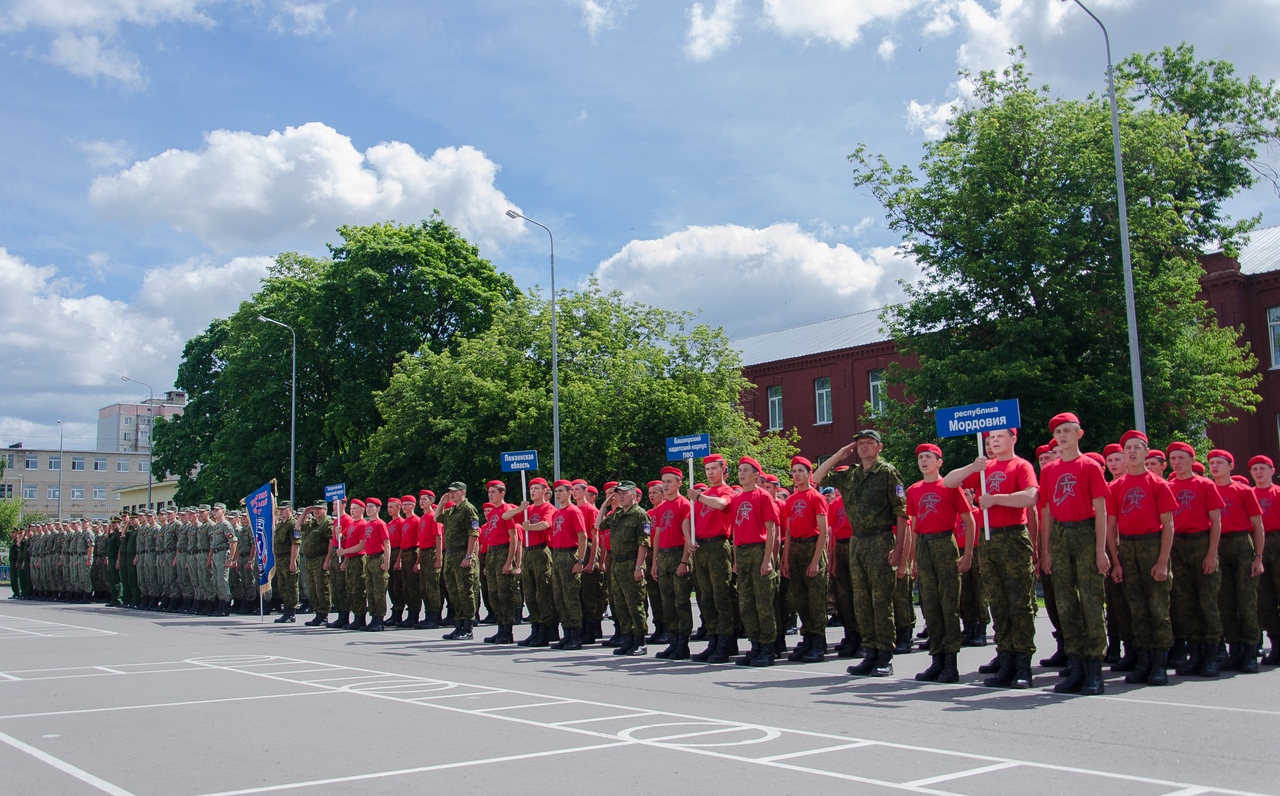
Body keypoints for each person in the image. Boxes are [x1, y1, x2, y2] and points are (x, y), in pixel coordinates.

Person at [942, 428, 1038, 689]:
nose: (994, 441)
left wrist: (995, 499)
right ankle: (1005, 660)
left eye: (999, 437)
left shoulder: (1021, 465)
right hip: (989, 539)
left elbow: (1031, 496)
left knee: (1019, 603)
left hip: (1013, 536)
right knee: (997, 602)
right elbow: (949, 481)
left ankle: (1023, 664)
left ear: (1013, 439)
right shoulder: (985, 467)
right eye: (990, 439)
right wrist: (973, 466)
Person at [814, 430, 909, 678]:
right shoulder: (851, 474)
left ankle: (885, 656)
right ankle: (870, 653)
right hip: (857, 541)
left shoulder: (887, 472)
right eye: (860, 443)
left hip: (880, 539)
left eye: (869, 443)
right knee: (862, 601)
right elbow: (816, 477)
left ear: (879, 447)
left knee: (880, 601)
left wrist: (899, 548)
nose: (864, 447)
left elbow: (901, 512)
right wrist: (838, 455)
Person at [1037, 413, 1111, 695]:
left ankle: (1094, 669)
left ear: (1079, 434)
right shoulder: (1049, 470)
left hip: (1085, 532)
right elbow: (1046, 512)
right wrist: (1045, 551)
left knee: (1091, 603)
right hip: (1060, 535)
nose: (1062, 436)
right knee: (1066, 603)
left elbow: (1101, 510)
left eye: (1067, 431)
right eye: (1058, 433)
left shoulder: (1089, 466)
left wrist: (1100, 550)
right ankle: (1076, 665)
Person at [1106, 430, 1176, 686]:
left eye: (1137, 447)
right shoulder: (1116, 486)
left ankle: (1159, 663)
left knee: (1158, 608)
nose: (1132, 452)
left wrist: (1162, 561)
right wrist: (1116, 561)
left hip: (1152, 545)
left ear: (1146, 452)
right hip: (1127, 547)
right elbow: (1111, 526)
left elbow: (1169, 526)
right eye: (1128, 448)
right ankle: (1143, 661)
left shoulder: (1158, 484)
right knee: (1135, 608)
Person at [906, 443, 972, 683]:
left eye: (928, 457)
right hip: (924, 546)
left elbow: (969, 520)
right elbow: (914, 527)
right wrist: (914, 560)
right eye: (920, 457)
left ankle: (951, 662)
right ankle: (937, 658)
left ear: (939, 462)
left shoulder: (950, 486)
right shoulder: (913, 490)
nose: (923, 461)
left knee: (948, 604)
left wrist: (967, 555)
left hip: (945, 543)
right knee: (930, 604)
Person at [1165, 441, 1224, 676]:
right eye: (1173, 459)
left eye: (1181, 458)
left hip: (1201, 542)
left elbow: (1216, 522)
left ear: (1192, 460)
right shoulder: (1167, 486)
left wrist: (1211, 554)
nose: (1177, 463)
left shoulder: (1206, 485)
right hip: (1177, 545)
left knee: (1207, 601)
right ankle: (1195, 653)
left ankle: (1212, 655)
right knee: (1184, 602)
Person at [1208, 449, 1265, 673]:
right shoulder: (1208, 489)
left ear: (1231, 466)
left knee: (1246, 600)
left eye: (1220, 462)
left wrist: (1258, 556)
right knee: (1225, 601)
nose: (1215, 466)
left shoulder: (1243, 491)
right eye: (1212, 462)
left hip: (1241, 543)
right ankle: (1234, 650)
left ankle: (1250, 651)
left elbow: (1258, 525)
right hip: (1218, 544)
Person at [729, 456, 780, 667]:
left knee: (763, 603)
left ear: (756, 475)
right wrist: (735, 558)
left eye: (746, 470)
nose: (741, 474)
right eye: (740, 470)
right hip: (742, 552)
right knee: (746, 602)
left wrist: (767, 560)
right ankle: (755, 644)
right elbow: (735, 530)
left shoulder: (763, 497)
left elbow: (771, 530)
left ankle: (768, 647)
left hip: (759, 550)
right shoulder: (737, 499)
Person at [781, 456, 830, 663]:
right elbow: (788, 531)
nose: (797, 475)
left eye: (801, 471)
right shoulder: (791, 500)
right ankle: (808, 638)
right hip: (795, 549)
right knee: (800, 599)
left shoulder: (816, 497)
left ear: (809, 474)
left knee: (815, 600)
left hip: (812, 547)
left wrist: (816, 561)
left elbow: (823, 532)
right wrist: (785, 560)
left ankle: (818, 642)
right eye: (794, 471)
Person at [689, 454, 737, 663]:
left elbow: (721, 505)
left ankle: (726, 641)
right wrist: (689, 538)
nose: (710, 473)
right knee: (706, 596)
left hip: (718, 545)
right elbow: (688, 520)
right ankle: (713, 639)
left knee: (721, 595)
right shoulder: (704, 494)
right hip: (702, 547)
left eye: (714, 469)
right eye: (707, 469)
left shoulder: (725, 491)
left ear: (723, 470)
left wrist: (699, 497)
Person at [599, 481, 652, 656]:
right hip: (617, 564)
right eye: (618, 494)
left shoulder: (640, 515)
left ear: (634, 495)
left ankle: (640, 641)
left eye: (624, 493)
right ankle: (627, 639)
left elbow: (643, 543)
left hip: (631, 563)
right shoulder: (617, 514)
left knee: (635, 604)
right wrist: (604, 505)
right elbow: (599, 525)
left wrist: (639, 566)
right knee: (620, 605)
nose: (620, 497)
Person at [651, 466, 694, 660]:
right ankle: (673, 640)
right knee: (667, 602)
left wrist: (684, 561)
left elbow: (687, 536)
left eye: (669, 481)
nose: (665, 485)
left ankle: (683, 643)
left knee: (681, 601)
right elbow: (658, 535)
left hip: (678, 554)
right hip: (664, 556)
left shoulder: (684, 504)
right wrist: (655, 561)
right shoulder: (661, 508)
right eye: (664, 482)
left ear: (679, 483)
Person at [511, 478, 557, 646]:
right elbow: (506, 516)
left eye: (536, 488)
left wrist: (528, 527)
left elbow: (545, 524)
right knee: (529, 593)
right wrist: (520, 508)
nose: (532, 491)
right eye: (531, 488)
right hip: (528, 552)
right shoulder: (528, 509)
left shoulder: (548, 507)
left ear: (545, 491)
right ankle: (535, 628)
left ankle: (546, 629)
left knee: (542, 592)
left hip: (541, 551)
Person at [548, 480, 589, 650]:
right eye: (556, 491)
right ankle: (566, 632)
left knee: (571, 597)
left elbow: (583, 536)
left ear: (569, 492)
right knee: (559, 597)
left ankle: (576, 635)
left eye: (561, 491)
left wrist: (580, 560)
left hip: (569, 554)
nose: (558, 494)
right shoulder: (557, 513)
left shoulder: (574, 511)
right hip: (557, 555)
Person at [439, 482, 482, 640]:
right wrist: (442, 502)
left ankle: (468, 627)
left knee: (465, 591)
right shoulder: (451, 510)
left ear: (463, 492)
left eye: (455, 491)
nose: (451, 494)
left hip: (462, 552)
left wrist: (468, 556)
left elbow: (473, 533)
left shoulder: (468, 509)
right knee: (453, 591)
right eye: (450, 492)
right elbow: (437, 517)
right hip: (451, 555)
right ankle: (458, 624)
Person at [1250, 455, 1280, 666]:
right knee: (1265, 598)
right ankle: (1275, 644)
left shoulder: (1277, 492)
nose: (1258, 472)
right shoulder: (1249, 493)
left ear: (1272, 470)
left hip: (1277, 540)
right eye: (1254, 469)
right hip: (1257, 544)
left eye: (1262, 468)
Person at [482, 480, 520, 644]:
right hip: (492, 553)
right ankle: (500, 627)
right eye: (489, 492)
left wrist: (509, 561)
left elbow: (514, 537)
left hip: (503, 551)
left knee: (505, 594)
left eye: (493, 492)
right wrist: (488, 563)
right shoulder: (492, 512)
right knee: (493, 594)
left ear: (502, 493)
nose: (490, 495)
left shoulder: (507, 510)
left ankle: (508, 630)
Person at [337, 500, 369, 630]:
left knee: (358, 589)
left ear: (362, 510)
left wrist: (344, 552)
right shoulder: (352, 524)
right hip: (350, 559)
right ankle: (355, 616)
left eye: (355, 508)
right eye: (351, 508)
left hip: (358, 559)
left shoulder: (362, 524)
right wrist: (338, 532)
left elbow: (361, 545)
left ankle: (360, 618)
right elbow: (343, 538)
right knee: (350, 590)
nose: (352, 511)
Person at [300, 502, 333, 626]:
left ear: (325, 509)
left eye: (319, 509)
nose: (316, 511)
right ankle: (318, 612)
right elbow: (298, 526)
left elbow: (331, 542)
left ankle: (323, 614)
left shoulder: (327, 523)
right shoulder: (312, 523)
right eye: (314, 509)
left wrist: (328, 560)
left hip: (320, 558)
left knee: (321, 587)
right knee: (312, 588)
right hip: (310, 560)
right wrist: (304, 513)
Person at [361, 498, 391, 631]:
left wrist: (386, 561)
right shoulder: (368, 524)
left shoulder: (380, 524)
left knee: (379, 590)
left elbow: (386, 543)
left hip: (378, 557)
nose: (368, 509)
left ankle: (379, 619)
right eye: (367, 507)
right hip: (369, 558)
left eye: (371, 507)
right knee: (370, 590)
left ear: (378, 509)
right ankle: (373, 616)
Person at [273, 501, 300, 623]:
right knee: (283, 586)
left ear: (290, 510)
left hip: (288, 557)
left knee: (291, 586)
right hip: (280, 559)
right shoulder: (280, 524)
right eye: (280, 509)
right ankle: (286, 610)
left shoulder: (293, 524)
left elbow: (295, 544)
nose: (281, 511)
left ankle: (291, 612)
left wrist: (293, 561)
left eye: (284, 509)